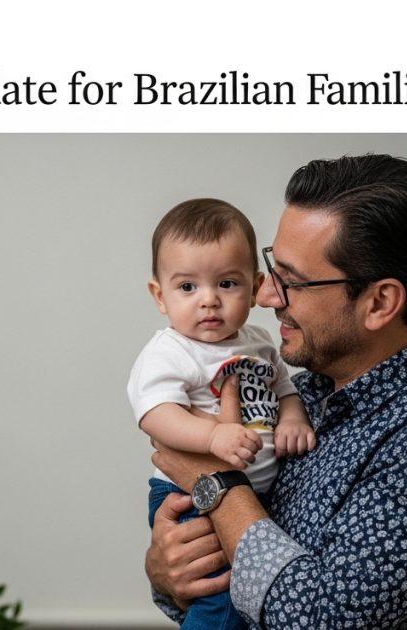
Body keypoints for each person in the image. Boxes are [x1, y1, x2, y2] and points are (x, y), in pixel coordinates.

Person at [144, 155, 407, 629]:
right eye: (272, 269)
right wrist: (167, 574)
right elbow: (222, 586)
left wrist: (217, 484)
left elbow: (321, 619)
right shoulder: (305, 390)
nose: (267, 297)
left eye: (292, 282)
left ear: (379, 302)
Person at [128, 198, 314, 630]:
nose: (209, 300)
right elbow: (155, 415)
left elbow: (283, 389)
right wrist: (212, 439)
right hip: (193, 499)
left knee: (245, 605)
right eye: (187, 287)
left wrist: (292, 419)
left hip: (255, 498)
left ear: (255, 287)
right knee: (219, 602)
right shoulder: (171, 351)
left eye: (227, 284)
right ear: (160, 295)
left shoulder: (260, 343)